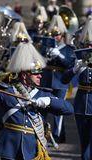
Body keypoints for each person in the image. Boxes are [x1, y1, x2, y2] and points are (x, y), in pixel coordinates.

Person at [40, 15, 76, 143]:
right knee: (42, 109)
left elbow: (69, 64)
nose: (55, 37)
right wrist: (45, 56)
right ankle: (41, 133)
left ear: (62, 35)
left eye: (58, 34)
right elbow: (39, 62)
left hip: (60, 82)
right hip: (46, 80)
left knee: (58, 111)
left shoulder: (68, 49)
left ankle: (57, 135)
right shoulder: (45, 47)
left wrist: (59, 55)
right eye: (53, 34)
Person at [61, 17, 92, 160]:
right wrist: (74, 69)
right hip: (81, 104)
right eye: (88, 43)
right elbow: (64, 79)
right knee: (84, 139)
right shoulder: (79, 59)